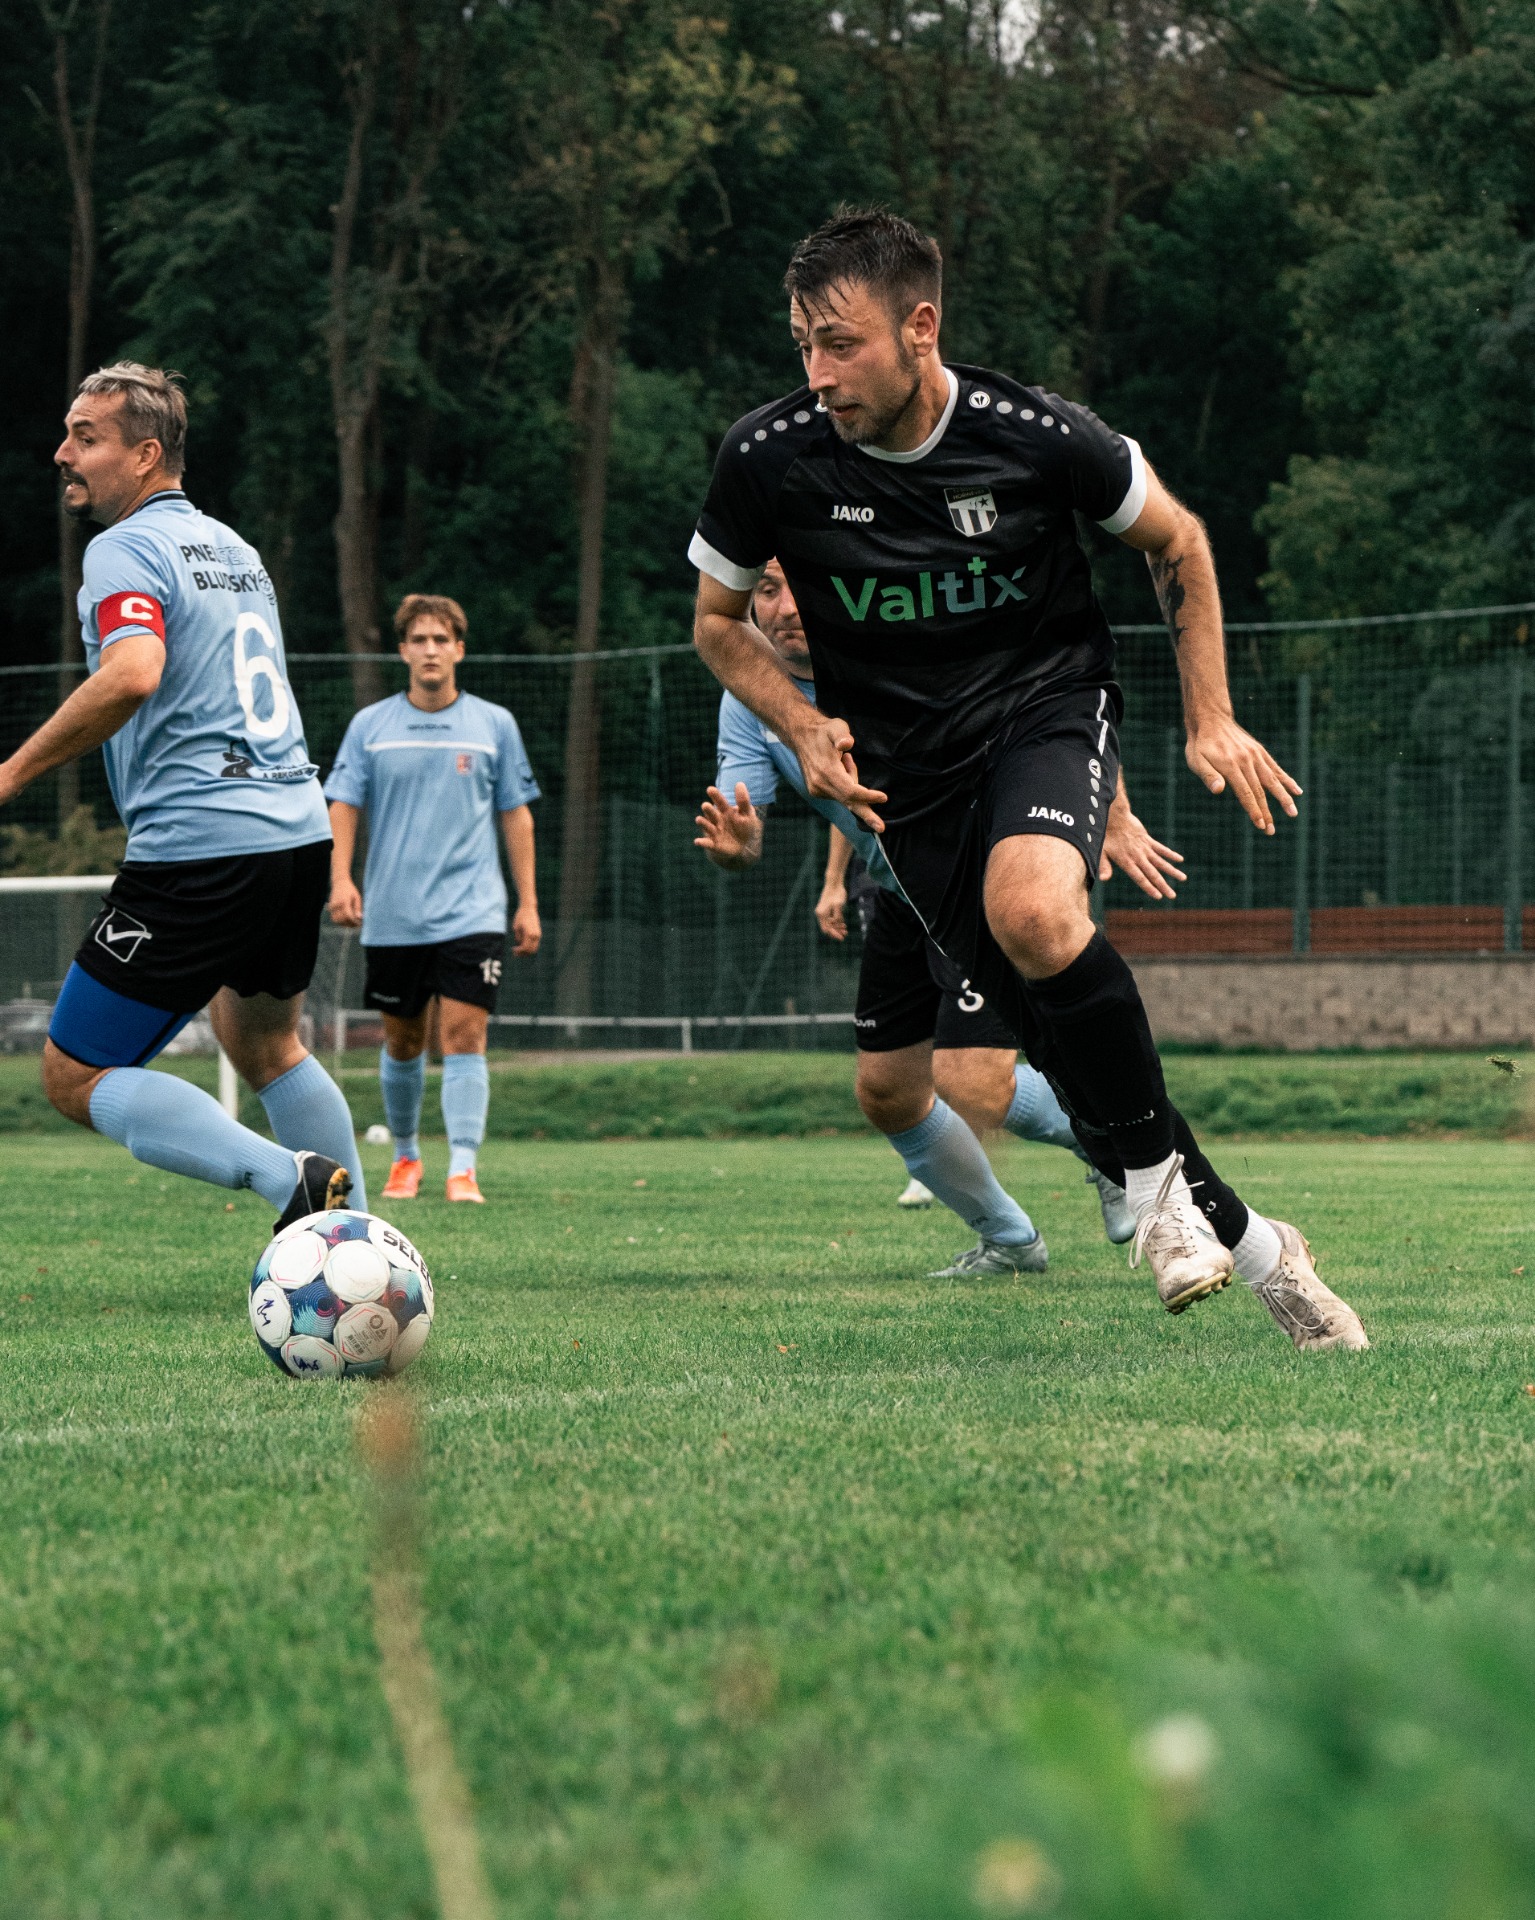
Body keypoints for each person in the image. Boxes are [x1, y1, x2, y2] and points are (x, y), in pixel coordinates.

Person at [688, 207, 1367, 1350]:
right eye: (802, 344)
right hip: (903, 783)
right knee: (1054, 1049)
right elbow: (715, 622)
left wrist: (1208, 718)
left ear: (919, 327)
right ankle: (1259, 1248)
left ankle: (1152, 1200)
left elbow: (1177, 540)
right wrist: (800, 725)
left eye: (840, 343)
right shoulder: (769, 456)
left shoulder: (1035, 435)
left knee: (1035, 913)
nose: (817, 374)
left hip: (1045, 710)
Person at [695, 558, 1165, 1275]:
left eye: (798, 585)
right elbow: (744, 817)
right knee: (888, 1092)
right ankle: (1010, 1241)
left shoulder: (898, 649)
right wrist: (738, 846)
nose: (785, 606)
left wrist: (1113, 808)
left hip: (978, 877)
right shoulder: (750, 694)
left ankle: (1111, 1146)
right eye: (765, 589)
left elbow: (1052, 695)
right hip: (900, 891)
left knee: (972, 1081)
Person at [0, 363, 363, 1229]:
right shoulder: (233, 549)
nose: (63, 453)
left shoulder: (122, 548)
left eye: (86, 438)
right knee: (266, 1043)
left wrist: (9, 773)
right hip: (294, 833)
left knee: (74, 1075)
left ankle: (288, 1181)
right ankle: (362, 1254)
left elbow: (134, 672)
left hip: (204, 848)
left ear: (146, 455)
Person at [326, 593, 541, 1204]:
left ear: (459, 650)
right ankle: (405, 1158)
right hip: (394, 914)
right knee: (403, 1042)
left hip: (474, 910)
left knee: (465, 1036)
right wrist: (341, 880)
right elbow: (343, 805)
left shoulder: (494, 725)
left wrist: (527, 902)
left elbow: (517, 815)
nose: (430, 650)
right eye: (418, 640)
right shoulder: (370, 727)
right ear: (402, 651)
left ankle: (463, 1169)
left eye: (441, 640)